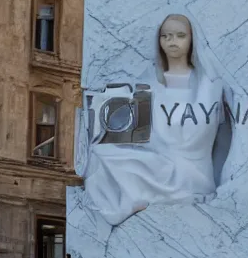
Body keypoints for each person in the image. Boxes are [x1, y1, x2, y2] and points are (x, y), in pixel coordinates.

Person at [82, 12, 231, 227]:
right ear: (159, 40)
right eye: (166, 36)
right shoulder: (149, 82)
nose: (173, 42)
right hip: (160, 160)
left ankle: (140, 197)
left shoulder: (209, 85)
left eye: (180, 35)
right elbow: (144, 130)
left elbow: (207, 135)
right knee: (99, 155)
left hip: (192, 170)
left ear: (191, 39)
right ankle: (124, 205)